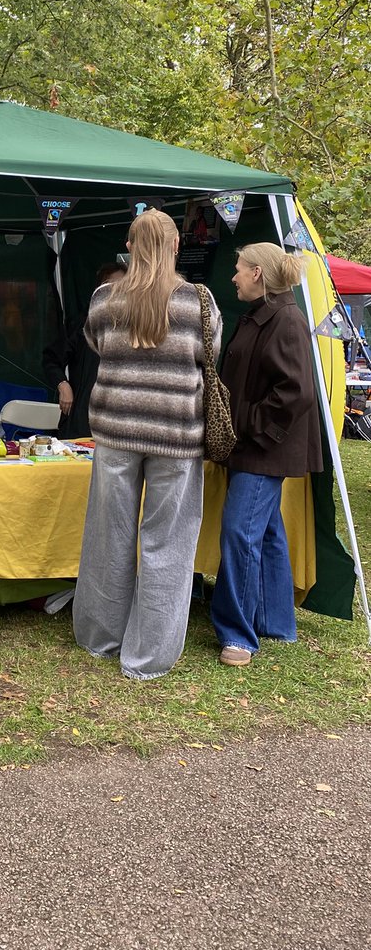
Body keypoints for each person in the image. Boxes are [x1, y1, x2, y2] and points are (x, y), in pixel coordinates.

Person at [72, 209, 221, 681]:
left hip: (117, 430)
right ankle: (148, 656)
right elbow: (211, 353)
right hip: (176, 435)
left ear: (130, 247)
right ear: (176, 246)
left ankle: (101, 638)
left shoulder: (104, 299)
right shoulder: (199, 302)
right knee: (168, 543)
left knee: (108, 535)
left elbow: (96, 344)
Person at [210, 244, 322, 668]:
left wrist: (248, 425)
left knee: (240, 532)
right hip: (255, 446)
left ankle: (238, 636)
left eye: (239, 269)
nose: (234, 277)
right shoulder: (263, 314)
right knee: (268, 532)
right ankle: (276, 622)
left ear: (257, 273)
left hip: (263, 450)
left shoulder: (285, 320)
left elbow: (296, 392)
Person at [42, 262, 127, 438]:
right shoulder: (82, 323)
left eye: (124, 287)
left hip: (120, 422)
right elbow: (51, 359)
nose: (117, 292)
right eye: (111, 286)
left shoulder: (137, 328)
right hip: (81, 422)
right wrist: (63, 385)